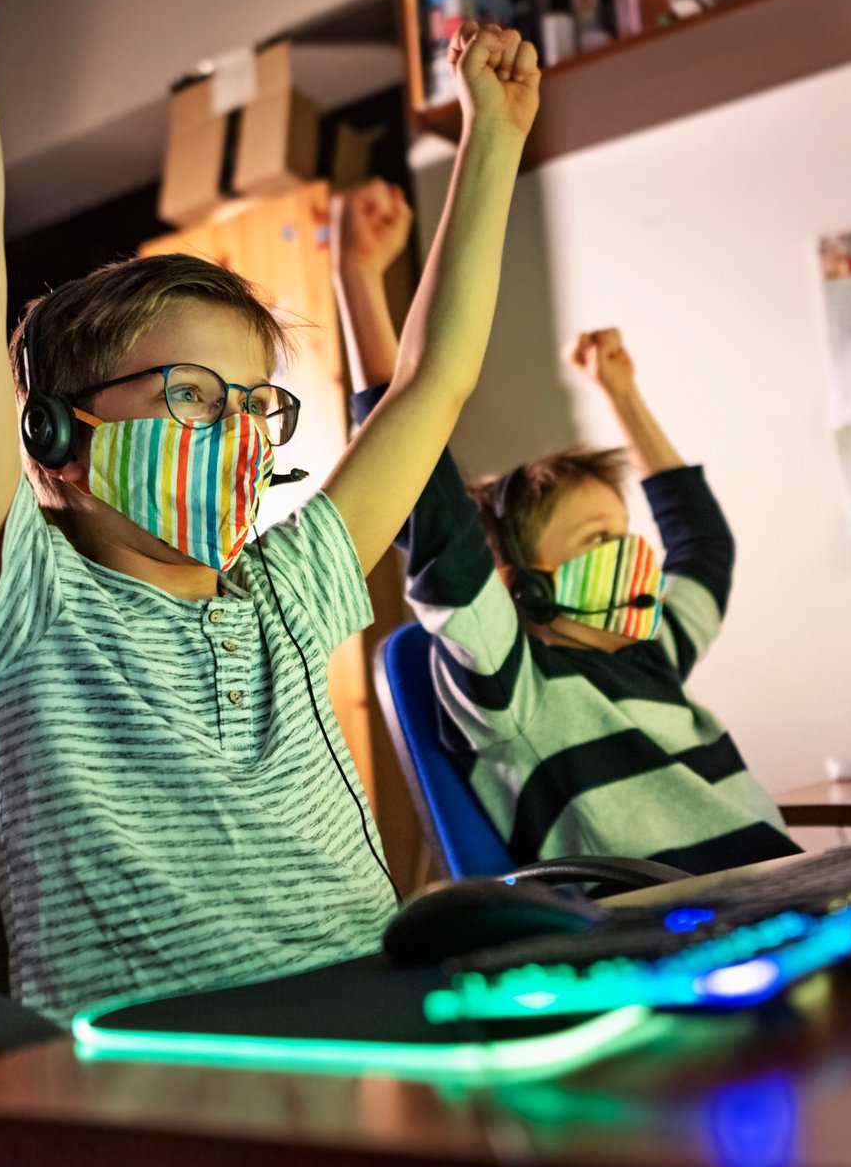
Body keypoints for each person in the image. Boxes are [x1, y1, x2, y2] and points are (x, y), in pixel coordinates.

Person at [0, 0, 538, 1022]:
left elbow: (431, 383)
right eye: (190, 395)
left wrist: (488, 148)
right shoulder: (21, 600)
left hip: (382, 1028)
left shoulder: (285, 591)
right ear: (55, 445)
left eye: (253, 404)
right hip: (176, 1079)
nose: (238, 432)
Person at [332, 206, 798, 876]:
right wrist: (357, 278)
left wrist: (621, 391)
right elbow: (429, 506)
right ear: (521, 578)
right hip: (676, 929)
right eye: (596, 538)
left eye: (623, 529)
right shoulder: (513, 685)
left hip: (779, 893)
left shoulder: (652, 652)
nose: (631, 552)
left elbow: (702, 544)